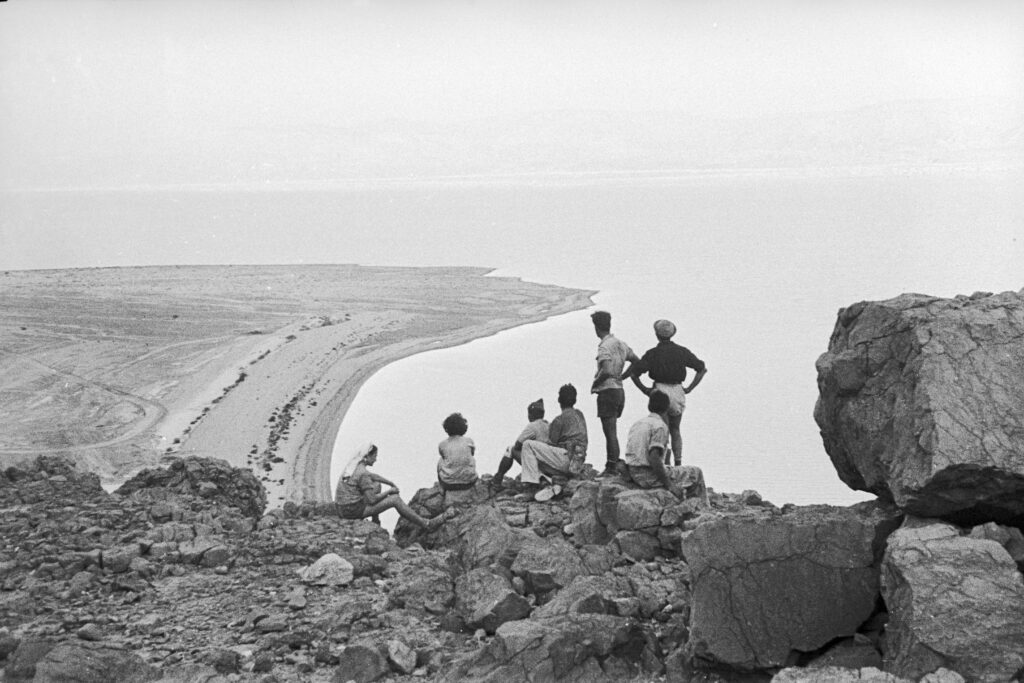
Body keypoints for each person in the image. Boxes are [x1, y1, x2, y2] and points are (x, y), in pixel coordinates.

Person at [622, 319, 706, 465]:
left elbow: (634, 374)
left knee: (662, 429)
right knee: (675, 429)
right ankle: (678, 463)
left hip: (660, 390)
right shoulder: (682, 351)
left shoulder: (652, 354)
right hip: (678, 390)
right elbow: (701, 369)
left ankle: (665, 463)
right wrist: (690, 388)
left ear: (656, 335)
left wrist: (645, 390)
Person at [622, 391, 707, 503]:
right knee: (696, 472)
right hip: (649, 476)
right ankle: (700, 508)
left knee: (671, 468)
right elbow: (654, 457)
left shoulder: (638, 424)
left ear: (649, 406)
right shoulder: (660, 426)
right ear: (667, 408)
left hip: (634, 473)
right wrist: (669, 485)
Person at [335, 443, 445, 529]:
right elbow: (372, 500)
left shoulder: (355, 466)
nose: (376, 459)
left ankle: (375, 520)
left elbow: (374, 477)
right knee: (395, 500)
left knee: (377, 485)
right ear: (367, 456)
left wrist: (389, 482)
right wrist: (389, 491)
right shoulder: (362, 473)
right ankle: (426, 523)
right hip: (351, 511)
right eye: (375, 456)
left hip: (342, 507)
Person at [518, 383, 589, 500]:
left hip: (566, 459)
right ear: (575, 399)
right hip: (578, 461)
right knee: (538, 455)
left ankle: (533, 487)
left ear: (559, 400)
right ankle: (554, 484)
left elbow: (551, 443)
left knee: (528, 445)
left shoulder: (558, 420)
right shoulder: (580, 414)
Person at [589, 310, 640, 476]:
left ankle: (611, 466)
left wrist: (596, 382)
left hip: (607, 391)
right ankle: (613, 463)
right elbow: (636, 361)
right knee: (613, 431)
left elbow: (606, 369)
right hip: (619, 390)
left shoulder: (604, 346)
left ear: (597, 327)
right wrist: (624, 376)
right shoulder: (620, 343)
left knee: (610, 432)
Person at [490, 398, 549, 491]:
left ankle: (497, 480)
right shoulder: (548, 425)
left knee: (511, 449)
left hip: (539, 465)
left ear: (531, 414)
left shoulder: (532, 426)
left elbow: (517, 445)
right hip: (550, 463)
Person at [437, 412, 478, 491]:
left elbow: (444, 456)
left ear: (446, 428)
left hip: (448, 484)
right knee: (469, 457)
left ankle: (442, 489)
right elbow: (472, 454)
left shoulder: (442, 444)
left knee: (440, 460)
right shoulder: (469, 441)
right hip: (469, 482)